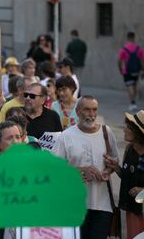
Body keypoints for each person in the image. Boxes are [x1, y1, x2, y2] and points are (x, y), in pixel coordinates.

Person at [55, 95, 119, 239]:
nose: (91, 114)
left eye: (94, 110)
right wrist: (80, 171)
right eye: (87, 110)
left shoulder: (106, 132)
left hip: (103, 205)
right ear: (77, 112)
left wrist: (107, 171)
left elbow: (114, 161)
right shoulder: (66, 136)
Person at [104, 110, 144, 238]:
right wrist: (116, 167)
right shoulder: (129, 149)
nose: (124, 130)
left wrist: (143, 190)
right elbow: (128, 177)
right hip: (132, 209)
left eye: (129, 127)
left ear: (138, 133)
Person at [118, 31, 144, 112]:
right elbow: (142, 61)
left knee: (130, 87)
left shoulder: (124, 49)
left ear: (127, 38)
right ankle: (134, 103)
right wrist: (143, 70)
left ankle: (132, 103)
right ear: (134, 37)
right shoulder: (139, 49)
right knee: (134, 86)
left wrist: (121, 69)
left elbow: (119, 61)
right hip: (136, 71)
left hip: (127, 71)